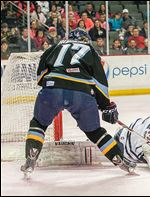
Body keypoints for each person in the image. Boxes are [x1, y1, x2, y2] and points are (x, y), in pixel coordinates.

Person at [20, 28, 136, 176]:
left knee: (38, 124)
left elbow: (41, 74)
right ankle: (120, 159)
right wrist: (106, 105)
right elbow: (100, 82)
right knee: (95, 132)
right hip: (82, 93)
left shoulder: (56, 46)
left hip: (52, 88)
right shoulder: (90, 50)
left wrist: (51, 86)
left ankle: (31, 158)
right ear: (85, 39)